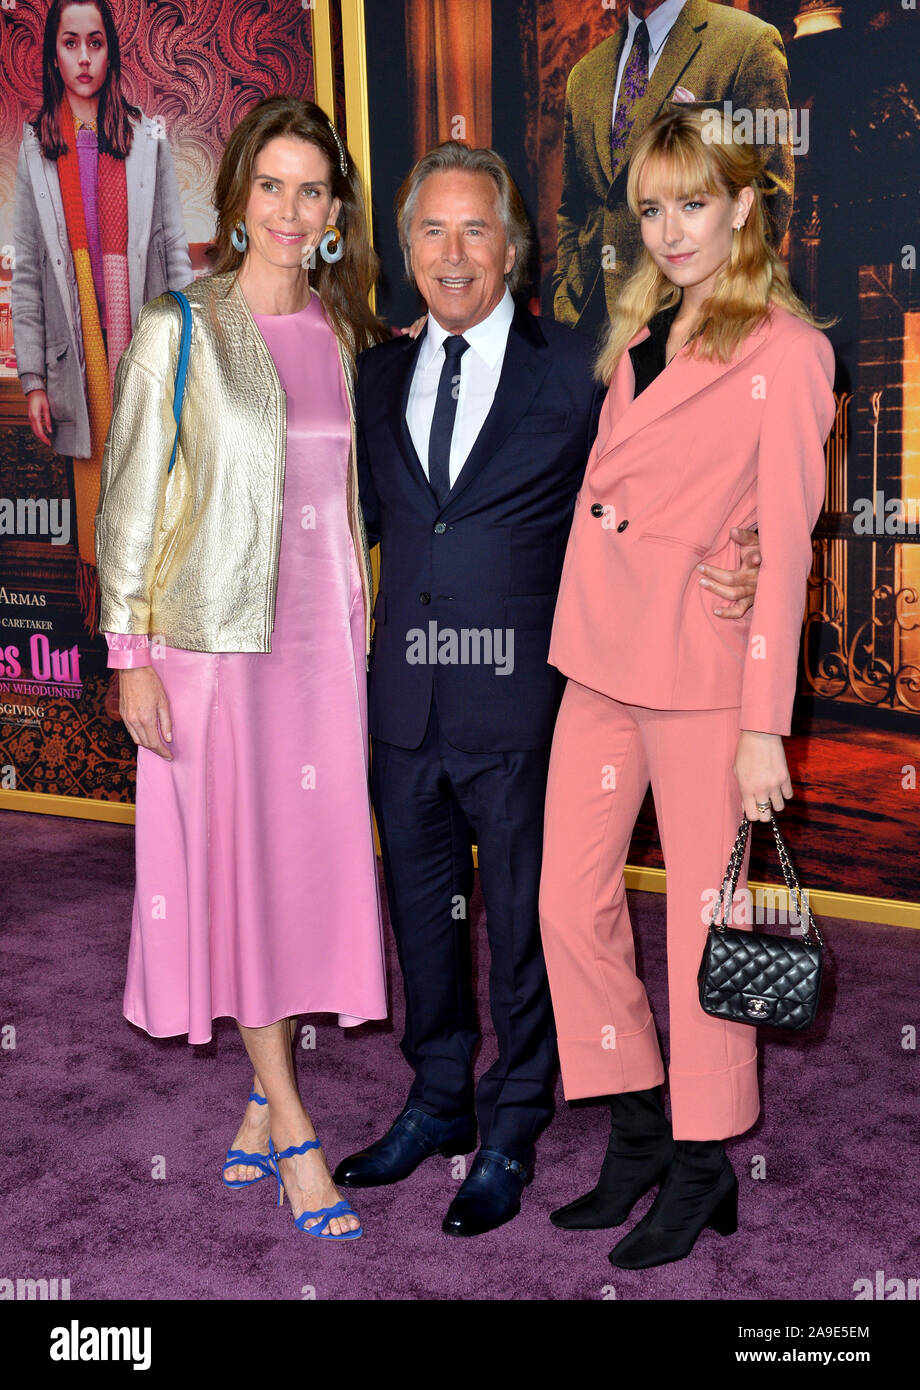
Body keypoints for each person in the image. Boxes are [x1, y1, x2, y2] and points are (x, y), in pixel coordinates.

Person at [334, 140, 762, 1237]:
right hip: (404, 705)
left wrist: (747, 542)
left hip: (526, 706)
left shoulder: (577, 368)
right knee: (424, 923)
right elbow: (367, 533)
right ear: (404, 247)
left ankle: (513, 1121)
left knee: (530, 924)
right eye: (430, 229)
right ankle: (438, 1098)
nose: (452, 251)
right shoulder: (372, 374)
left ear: (513, 248)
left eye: (476, 228)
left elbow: (668, 476)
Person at [539, 103, 836, 1269]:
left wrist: (764, 728)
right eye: (653, 206)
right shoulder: (643, 324)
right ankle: (637, 1123)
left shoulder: (787, 354)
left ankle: (706, 1163)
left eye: (693, 202)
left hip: (703, 676)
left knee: (702, 924)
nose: (669, 228)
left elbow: (787, 552)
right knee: (568, 898)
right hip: (601, 653)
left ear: (742, 205)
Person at [95, 95, 389, 1240]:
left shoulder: (343, 337)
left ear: (332, 211)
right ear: (236, 198)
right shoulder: (179, 326)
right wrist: (129, 653)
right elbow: (129, 503)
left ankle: (263, 1108)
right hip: (210, 655)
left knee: (296, 875)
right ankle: (297, 1129)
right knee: (237, 874)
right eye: (269, 184)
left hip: (321, 657)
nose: (288, 207)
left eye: (309, 189)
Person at [12, 0, 190, 664]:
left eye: (95, 43)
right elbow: (29, 269)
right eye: (70, 44)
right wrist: (33, 378)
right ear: (54, 54)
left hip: (138, 330)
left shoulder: (147, 138)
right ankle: (113, 651)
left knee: (147, 484)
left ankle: (149, 645)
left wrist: (184, 351)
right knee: (95, 496)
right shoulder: (35, 145)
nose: (83, 58)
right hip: (75, 342)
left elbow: (173, 248)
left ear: (110, 50)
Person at [553, 0, 794, 342]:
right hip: (589, 331)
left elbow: (770, 196)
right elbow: (573, 207)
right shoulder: (584, 75)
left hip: (694, 329)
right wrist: (564, 294)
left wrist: (714, 318)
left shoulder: (748, 43)